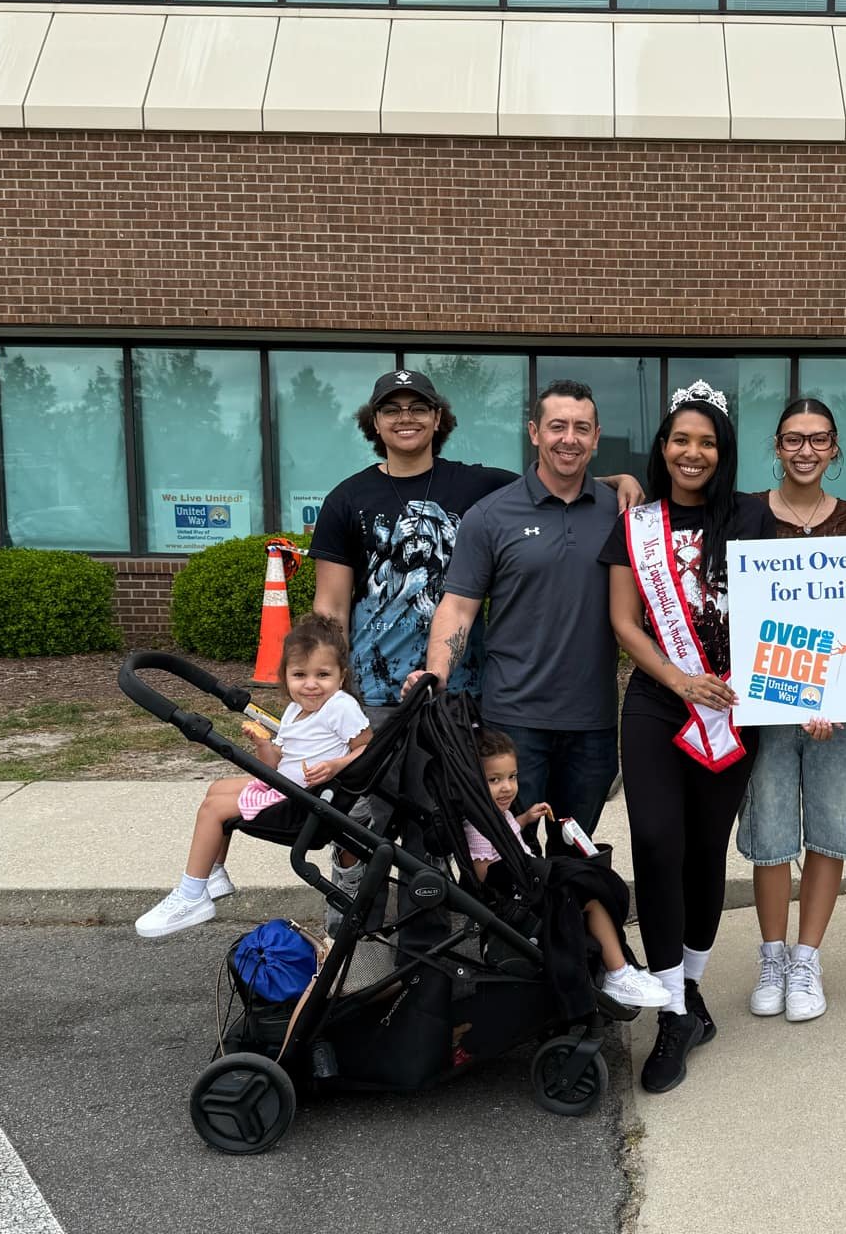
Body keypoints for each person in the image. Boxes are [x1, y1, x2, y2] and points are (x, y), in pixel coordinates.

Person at [599, 382, 776, 1094]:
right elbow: (624, 622)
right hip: (657, 703)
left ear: (722, 451)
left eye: (706, 441)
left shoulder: (754, 520)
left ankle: (692, 993)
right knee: (658, 843)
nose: (692, 452)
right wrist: (679, 682)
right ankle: (670, 1009)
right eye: (681, 440)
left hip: (733, 706)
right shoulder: (636, 524)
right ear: (663, 448)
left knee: (706, 850)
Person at [311, 367, 644, 713]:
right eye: (391, 410)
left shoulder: (480, 486)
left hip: (462, 693)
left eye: (419, 409)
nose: (405, 418)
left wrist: (617, 481)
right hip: (374, 696)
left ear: (438, 418)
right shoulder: (345, 500)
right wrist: (331, 688)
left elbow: (556, 482)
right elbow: (331, 609)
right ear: (375, 422)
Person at [403, 380, 622, 845]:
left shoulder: (621, 512)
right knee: (510, 853)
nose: (570, 438)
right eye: (557, 426)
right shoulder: (490, 515)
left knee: (576, 851)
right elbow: (460, 605)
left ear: (597, 436)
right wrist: (436, 674)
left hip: (593, 722)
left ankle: (570, 920)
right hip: (515, 719)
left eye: (582, 428)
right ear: (534, 432)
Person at [737, 396, 846, 1023]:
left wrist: (833, 694)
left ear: (836, 447)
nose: (806, 451)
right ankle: (771, 953)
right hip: (765, 701)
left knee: (827, 828)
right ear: (777, 445)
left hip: (839, 709)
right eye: (794, 439)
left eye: (819, 440)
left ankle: (807, 958)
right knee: (768, 829)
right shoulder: (746, 515)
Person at [135, 613, 371, 938]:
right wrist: (263, 743)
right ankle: (214, 874)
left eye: (323, 674)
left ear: (341, 676)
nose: (311, 684)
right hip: (287, 787)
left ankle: (191, 894)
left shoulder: (340, 707)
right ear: (285, 676)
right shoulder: (293, 711)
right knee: (217, 789)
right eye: (300, 674)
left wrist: (335, 766)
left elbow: (367, 749)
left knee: (213, 811)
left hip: (306, 804)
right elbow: (275, 763)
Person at [464, 729, 669, 1013]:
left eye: (512, 777)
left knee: (592, 887)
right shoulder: (477, 825)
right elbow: (483, 872)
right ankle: (618, 972)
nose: (507, 788)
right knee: (588, 893)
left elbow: (507, 835)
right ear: (474, 781)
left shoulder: (498, 813)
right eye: (494, 780)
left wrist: (524, 818)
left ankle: (620, 969)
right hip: (517, 894)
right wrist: (524, 870)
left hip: (526, 879)